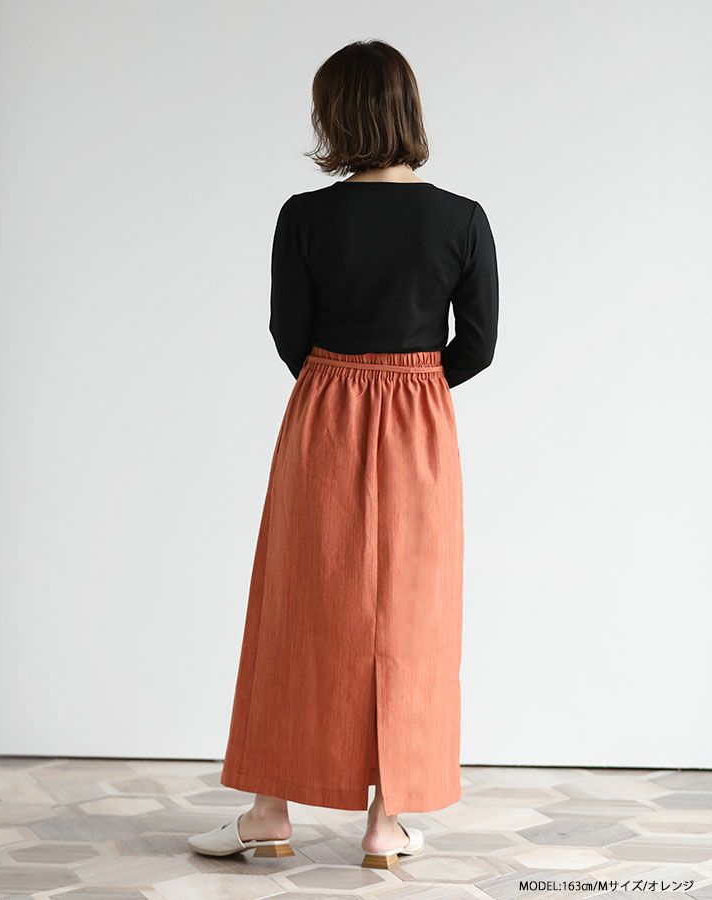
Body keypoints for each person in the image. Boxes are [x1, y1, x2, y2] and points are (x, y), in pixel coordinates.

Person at [188, 38, 498, 870]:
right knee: (412, 613)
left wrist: (342, 383)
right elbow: (479, 345)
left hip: (324, 408)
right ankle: (386, 824)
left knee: (298, 605)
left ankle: (268, 813)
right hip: (421, 423)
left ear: (336, 116)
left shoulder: (305, 215)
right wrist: (413, 387)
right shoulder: (462, 217)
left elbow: (288, 332)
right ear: (408, 110)